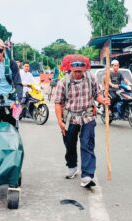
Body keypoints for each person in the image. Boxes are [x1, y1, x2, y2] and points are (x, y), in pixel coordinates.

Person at [54, 57, 111, 188]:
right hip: (70, 118)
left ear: (85, 69)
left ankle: (87, 175)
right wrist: (59, 121)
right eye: (76, 71)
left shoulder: (91, 79)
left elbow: (97, 95)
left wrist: (103, 101)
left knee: (87, 144)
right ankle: (72, 166)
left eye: (81, 71)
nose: (78, 74)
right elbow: (58, 103)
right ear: (71, 70)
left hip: (88, 116)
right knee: (70, 144)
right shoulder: (63, 83)